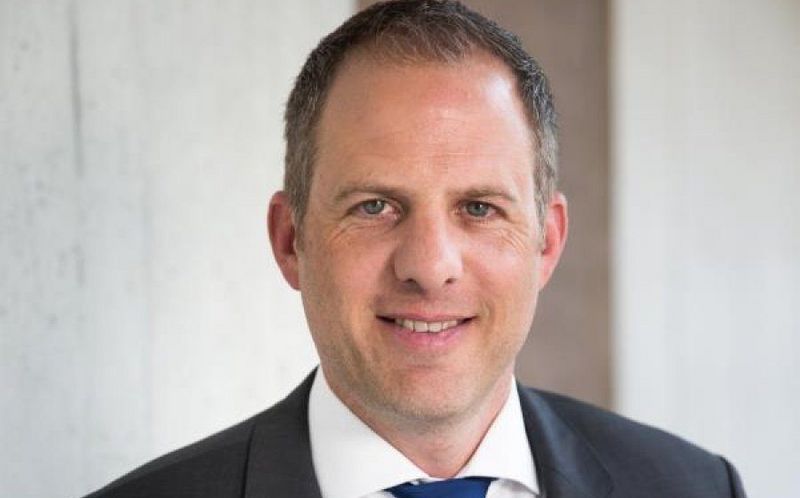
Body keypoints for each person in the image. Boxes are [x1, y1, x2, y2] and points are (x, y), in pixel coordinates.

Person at [86, 1, 747, 497]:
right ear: (291, 241)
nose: (430, 267)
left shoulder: (695, 487)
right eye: (375, 206)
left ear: (546, 243)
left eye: (479, 208)